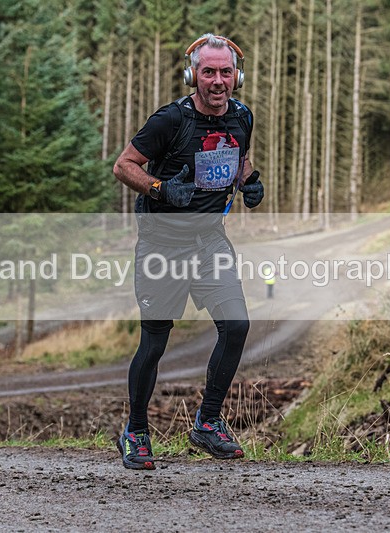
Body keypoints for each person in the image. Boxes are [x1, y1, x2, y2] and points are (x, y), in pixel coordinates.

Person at [112, 33, 264, 470]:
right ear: (192, 75)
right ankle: (136, 431)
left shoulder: (242, 116)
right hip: (162, 244)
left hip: (210, 241)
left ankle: (207, 422)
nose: (217, 80)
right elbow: (124, 165)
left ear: (237, 77)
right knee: (155, 341)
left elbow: (238, 157)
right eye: (208, 71)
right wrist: (160, 189)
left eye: (225, 72)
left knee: (236, 325)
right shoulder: (170, 120)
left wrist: (249, 182)